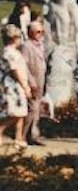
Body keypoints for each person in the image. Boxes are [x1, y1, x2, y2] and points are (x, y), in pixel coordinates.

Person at [0, 26, 28, 147]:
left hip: (19, 85)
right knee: (15, 113)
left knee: (22, 111)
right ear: (13, 38)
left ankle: (19, 137)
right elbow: (14, 71)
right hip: (13, 86)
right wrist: (25, 85)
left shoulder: (15, 52)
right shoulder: (8, 52)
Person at [20, 18, 46, 146]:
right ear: (30, 33)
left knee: (37, 109)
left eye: (42, 32)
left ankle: (33, 135)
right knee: (32, 108)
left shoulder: (41, 44)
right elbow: (24, 66)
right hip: (33, 81)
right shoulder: (26, 46)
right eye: (38, 32)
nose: (40, 34)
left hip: (41, 80)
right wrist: (31, 82)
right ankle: (22, 136)